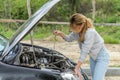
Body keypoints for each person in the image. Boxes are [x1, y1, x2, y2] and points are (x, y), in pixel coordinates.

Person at [53, 13, 110, 80]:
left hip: (102, 56)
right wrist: (60, 34)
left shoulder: (90, 33)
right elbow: (69, 38)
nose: (74, 30)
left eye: (75, 27)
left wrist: (77, 67)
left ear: (82, 25)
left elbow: (85, 51)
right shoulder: (78, 31)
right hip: (93, 57)